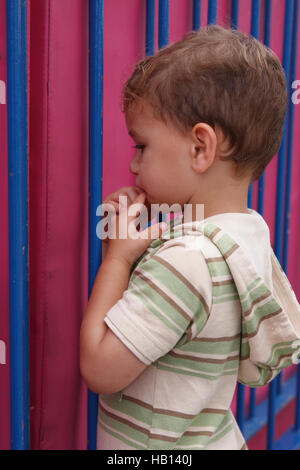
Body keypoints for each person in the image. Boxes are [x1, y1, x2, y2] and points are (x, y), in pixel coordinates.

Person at [80, 25, 300, 450]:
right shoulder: (246, 234)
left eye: (141, 145)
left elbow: (99, 369)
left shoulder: (184, 261)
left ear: (201, 148)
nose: (132, 164)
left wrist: (117, 261)